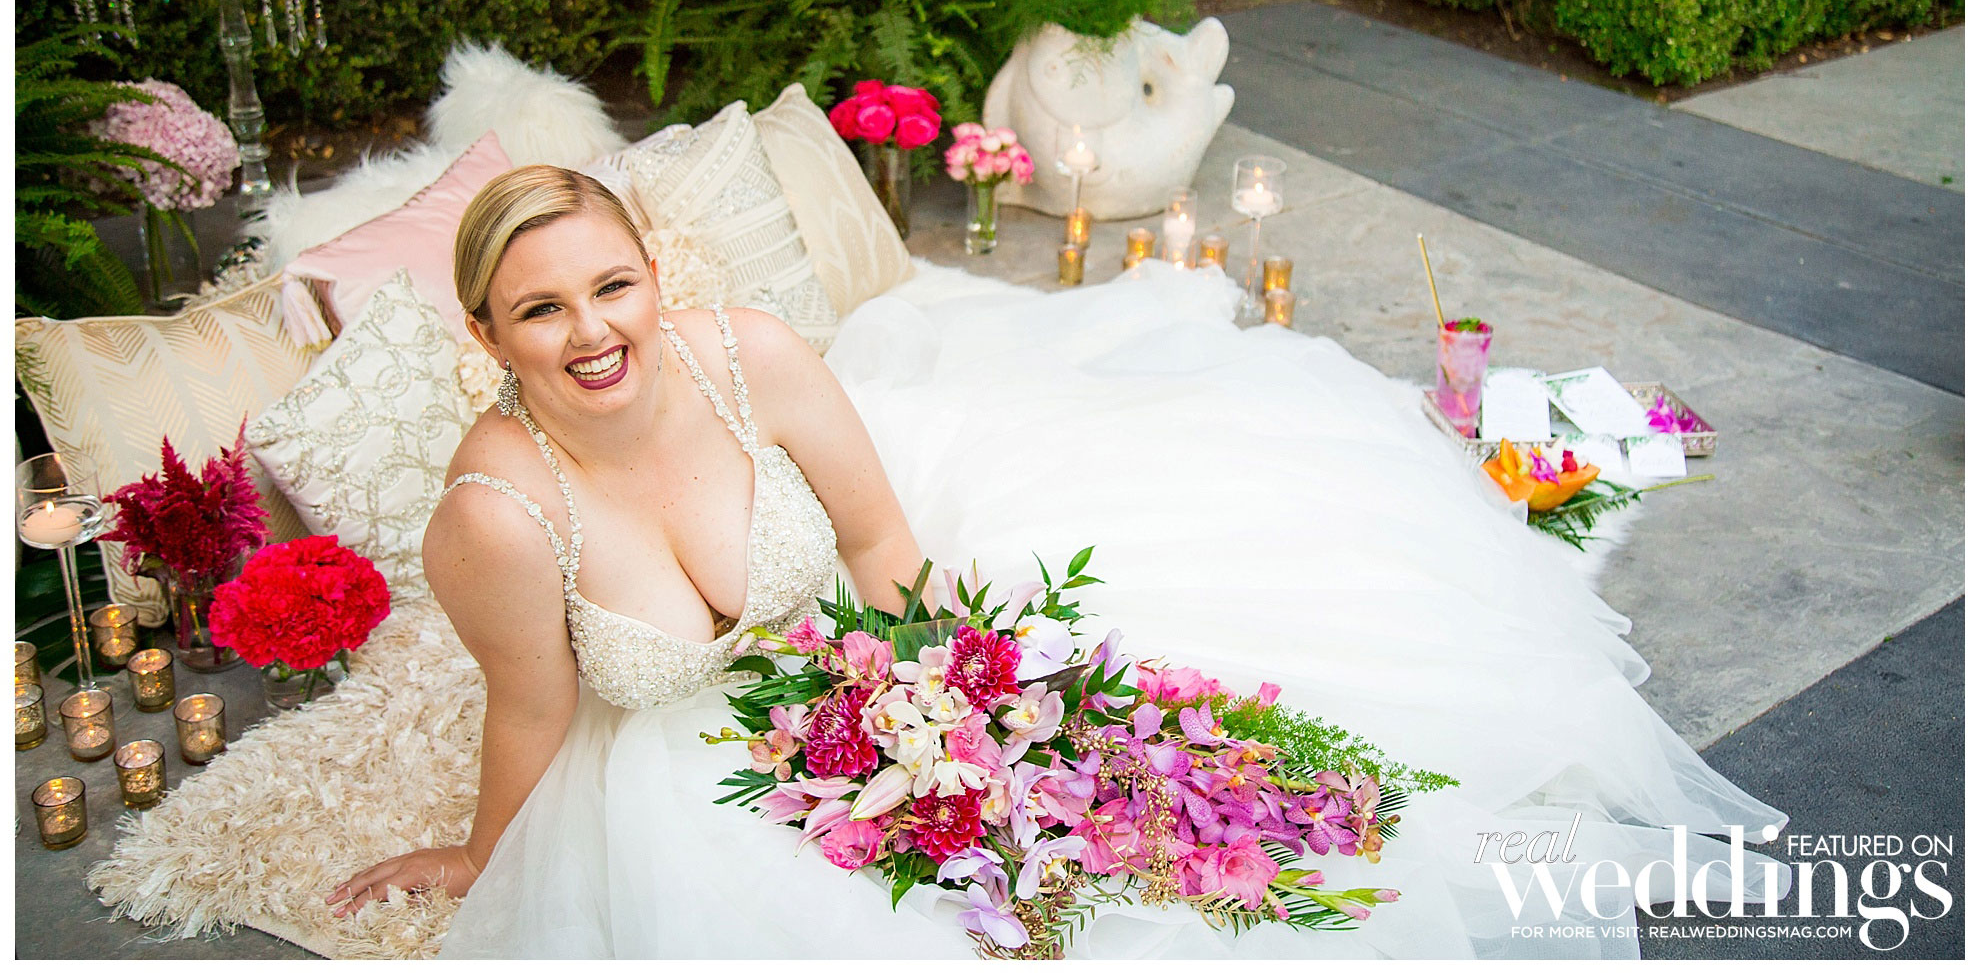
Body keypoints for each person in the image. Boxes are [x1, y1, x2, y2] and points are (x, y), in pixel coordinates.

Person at [331, 164, 1787, 959]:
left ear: (656, 277)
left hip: (875, 658)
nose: (593, 331)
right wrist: (486, 856)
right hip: (688, 764)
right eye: (541, 310)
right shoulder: (497, 515)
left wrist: (946, 700)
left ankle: (1351, 832)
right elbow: (530, 706)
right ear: (487, 335)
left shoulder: (747, 357)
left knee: (1146, 779)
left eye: (613, 285)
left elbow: (876, 539)